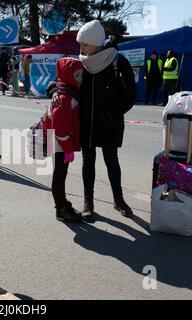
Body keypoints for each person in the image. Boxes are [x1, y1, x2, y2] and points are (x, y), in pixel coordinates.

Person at [54, 20, 136, 220]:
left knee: (111, 162)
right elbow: (64, 80)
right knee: (88, 163)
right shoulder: (81, 61)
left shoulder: (118, 61)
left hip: (110, 123)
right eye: (80, 43)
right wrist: (56, 91)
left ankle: (119, 200)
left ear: (97, 43)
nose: (81, 48)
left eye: (85, 44)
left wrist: (113, 112)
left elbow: (130, 95)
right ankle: (88, 202)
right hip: (86, 123)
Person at [45, 58, 84, 223]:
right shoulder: (65, 97)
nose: (80, 78)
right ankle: (60, 209)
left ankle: (62, 204)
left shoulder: (70, 88)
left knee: (61, 174)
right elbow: (60, 129)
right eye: (76, 75)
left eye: (81, 74)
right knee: (59, 176)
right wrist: (68, 148)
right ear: (67, 75)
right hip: (60, 142)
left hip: (62, 141)